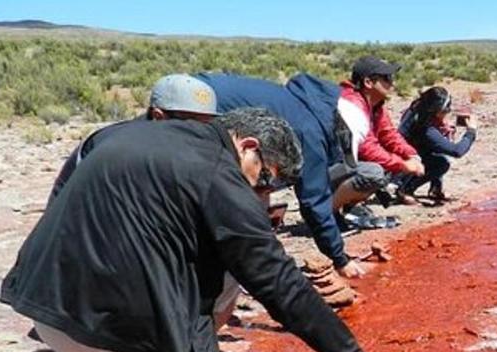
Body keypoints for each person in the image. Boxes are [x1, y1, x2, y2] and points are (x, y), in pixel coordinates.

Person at [0, 107, 399, 352]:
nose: (263, 194)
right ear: (247, 146)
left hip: (45, 306)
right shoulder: (219, 175)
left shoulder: (124, 133)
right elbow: (278, 283)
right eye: (267, 180)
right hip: (108, 330)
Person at [198, 72, 360, 275]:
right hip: (198, 109)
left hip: (191, 95)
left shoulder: (308, 108)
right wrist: (340, 258)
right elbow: (314, 202)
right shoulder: (310, 133)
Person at [50, 73, 218, 202]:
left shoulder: (166, 142)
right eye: (190, 124)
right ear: (159, 116)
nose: (199, 133)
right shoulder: (116, 145)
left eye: (207, 125)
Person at [335, 56, 425, 228]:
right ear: (368, 82)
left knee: (382, 168)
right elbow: (367, 148)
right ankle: (326, 214)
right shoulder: (352, 105)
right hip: (328, 166)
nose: (391, 83)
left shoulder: (375, 105)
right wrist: (403, 165)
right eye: (386, 78)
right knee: (374, 172)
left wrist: (411, 154)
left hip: (344, 164)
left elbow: (388, 134)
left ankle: (349, 206)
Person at [394, 86, 477, 204]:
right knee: (442, 163)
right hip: (405, 160)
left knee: (437, 150)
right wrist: (471, 132)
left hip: (409, 152)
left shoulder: (417, 109)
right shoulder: (426, 129)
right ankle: (405, 189)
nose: (448, 111)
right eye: (445, 109)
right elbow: (457, 151)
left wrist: (442, 127)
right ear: (435, 111)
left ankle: (435, 189)